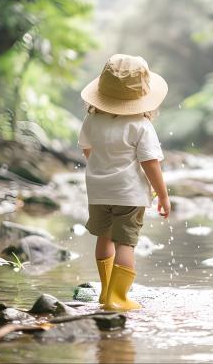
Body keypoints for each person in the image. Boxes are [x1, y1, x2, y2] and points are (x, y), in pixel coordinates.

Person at [79, 54, 170, 311]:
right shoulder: (140, 125)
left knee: (104, 237)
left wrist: (103, 167)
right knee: (125, 244)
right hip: (129, 194)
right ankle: (118, 297)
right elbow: (150, 163)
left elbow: (88, 150)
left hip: (98, 192)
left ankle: (106, 291)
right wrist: (162, 195)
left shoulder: (92, 119)